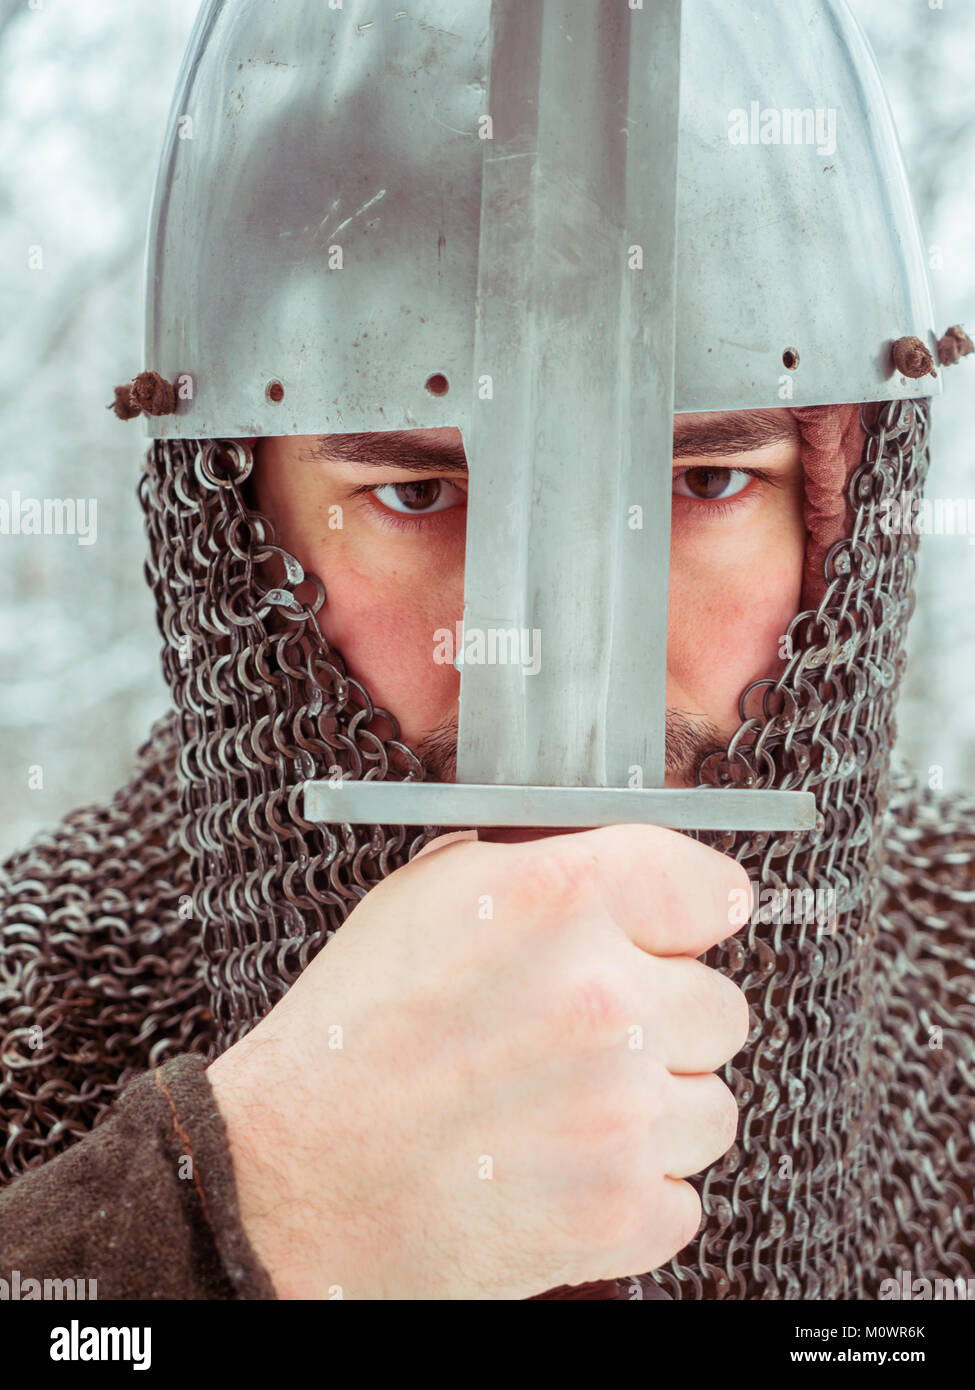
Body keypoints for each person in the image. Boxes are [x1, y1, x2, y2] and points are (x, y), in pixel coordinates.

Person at [1, 0, 973, 1302]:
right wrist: (239, 1208)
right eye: (415, 493)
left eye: (704, 478)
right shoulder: (30, 1005)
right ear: (237, 525)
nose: (556, 648)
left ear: (836, 521)